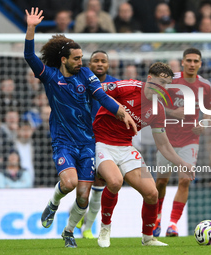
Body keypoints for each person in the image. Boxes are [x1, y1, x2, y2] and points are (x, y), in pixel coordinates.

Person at [24, 7, 136, 248]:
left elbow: (101, 96)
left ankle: (68, 232)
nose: (81, 62)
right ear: (64, 60)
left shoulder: (86, 74)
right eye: (77, 58)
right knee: (70, 183)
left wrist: (120, 111)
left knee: (83, 196)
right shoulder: (50, 76)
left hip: (87, 142)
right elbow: (30, 57)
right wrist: (31, 28)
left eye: (81, 58)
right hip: (63, 141)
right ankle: (53, 203)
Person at [93, 62, 194, 247]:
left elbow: (163, 144)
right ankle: (105, 227)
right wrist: (118, 109)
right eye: (161, 83)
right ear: (149, 79)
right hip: (102, 142)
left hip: (125, 146)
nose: (164, 88)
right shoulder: (128, 87)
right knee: (115, 182)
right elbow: (96, 89)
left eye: (166, 85)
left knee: (152, 193)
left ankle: (148, 238)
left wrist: (181, 163)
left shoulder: (158, 109)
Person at [153, 48, 211, 237]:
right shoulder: (170, 81)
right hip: (166, 139)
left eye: (196, 61)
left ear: (200, 64)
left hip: (190, 139)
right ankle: (157, 218)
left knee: (185, 180)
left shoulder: (205, 85)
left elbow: (210, 108)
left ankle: (173, 224)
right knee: (162, 181)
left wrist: (204, 122)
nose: (192, 64)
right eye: (189, 60)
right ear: (182, 62)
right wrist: (172, 113)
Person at [76, 50, 120, 238]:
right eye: (96, 61)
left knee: (100, 182)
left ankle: (87, 227)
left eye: (103, 61)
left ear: (108, 65)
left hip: (105, 139)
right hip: (83, 138)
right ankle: (78, 214)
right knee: (84, 182)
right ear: (89, 64)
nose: (99, 64)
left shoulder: (115, 84)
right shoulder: (80, 80)